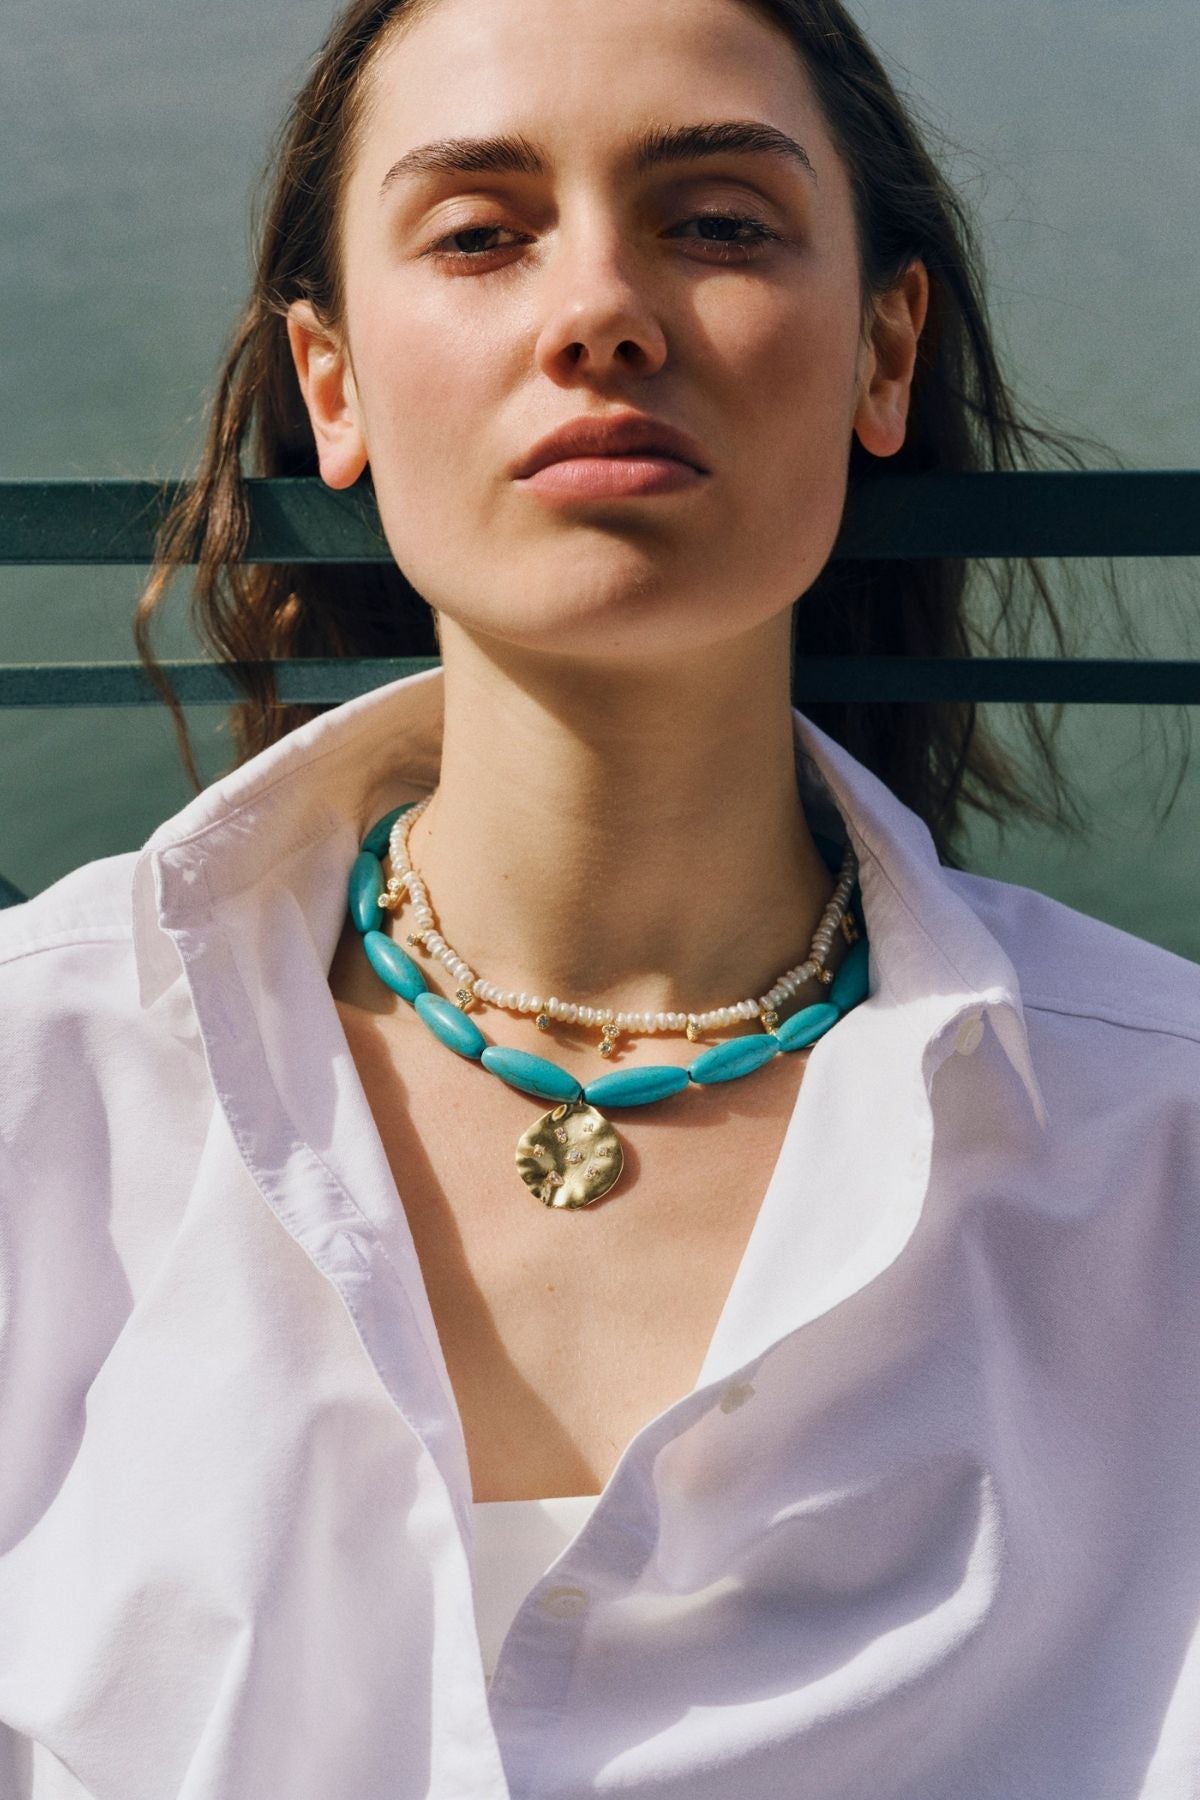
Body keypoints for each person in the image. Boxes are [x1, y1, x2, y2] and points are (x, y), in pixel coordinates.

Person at [1, 0, 1198, 1794]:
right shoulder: (41, 1077)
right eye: (479, 233)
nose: (601, 314)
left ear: (885, 352)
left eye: (717, 223)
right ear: (331, 383)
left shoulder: (1159, 1154)